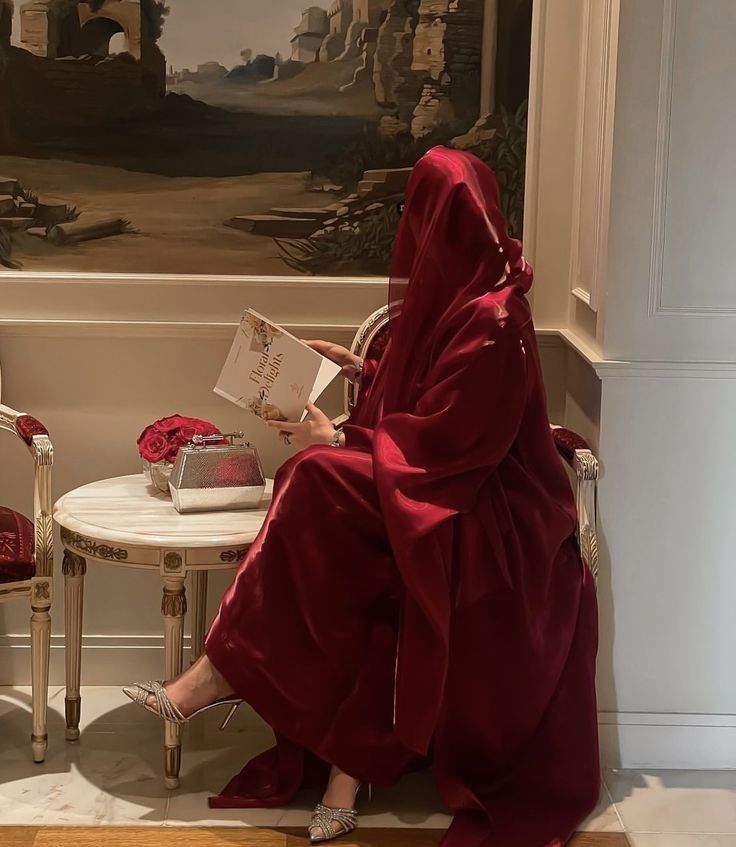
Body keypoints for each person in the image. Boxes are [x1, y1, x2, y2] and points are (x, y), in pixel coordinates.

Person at [124, 147, 600, 846]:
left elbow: (453, 443)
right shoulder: (463, 296)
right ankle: (328, 760)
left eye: (425, 214)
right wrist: (365, 368)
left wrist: (329, 438)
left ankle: (219, 676)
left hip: (495, 509)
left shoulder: (498, 317)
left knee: (314, 480)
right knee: (353, 544)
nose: (417, 231)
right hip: (442, 482)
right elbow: (432, 397)